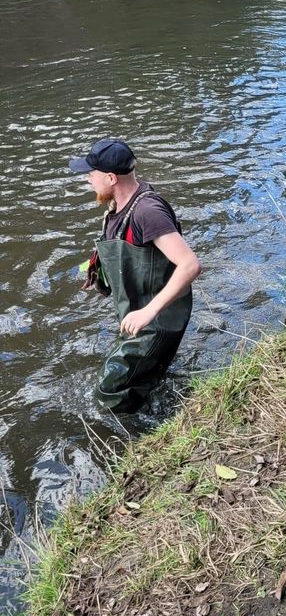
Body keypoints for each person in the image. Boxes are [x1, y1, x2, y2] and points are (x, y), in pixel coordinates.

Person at [69, 137, 201, 412]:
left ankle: (131, 442)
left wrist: (148, 312)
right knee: (135, 382)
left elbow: (190, 265)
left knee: (109, 392)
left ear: (111, 178)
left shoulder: (148, 211)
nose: (88, 180)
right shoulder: (117, 206)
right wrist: (97, 270)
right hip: (136, 315)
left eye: (91, 175)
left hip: (155, 321)